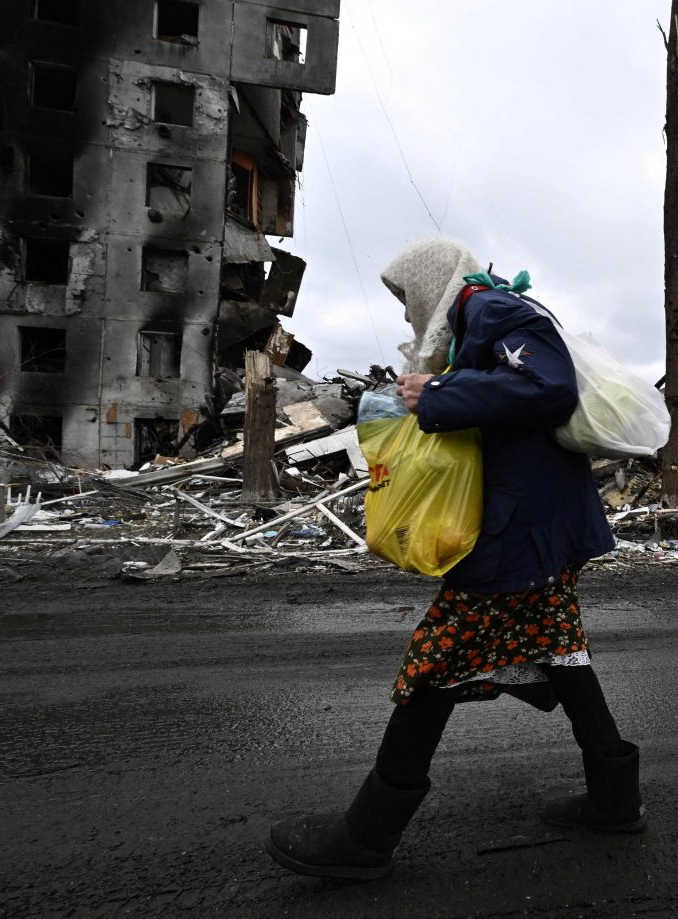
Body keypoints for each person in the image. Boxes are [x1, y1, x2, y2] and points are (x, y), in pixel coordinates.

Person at [266, 237, 643, 881]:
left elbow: (545, 385)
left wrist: (436, 396)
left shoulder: (491, 310)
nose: (409, 313)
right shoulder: (489, 314)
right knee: (561, 650)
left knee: (437, 660)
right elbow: (516, 397)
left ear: (430, 284)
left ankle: (365, 835)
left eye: (406, 297)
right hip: (542, 527)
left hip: (519, 532)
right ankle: (615, 798)